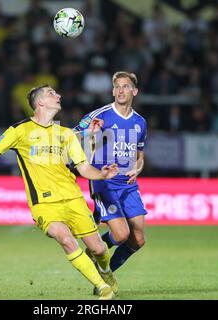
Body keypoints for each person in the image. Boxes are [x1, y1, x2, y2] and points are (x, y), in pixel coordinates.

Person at [0, 84, 119, 300]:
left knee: (99, 250)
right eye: (52, 93)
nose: (58, 95)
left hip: (73, 198)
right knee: (66, 239)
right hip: (44, 203)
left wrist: (102, 174)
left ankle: (105, 271)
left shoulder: (66, 134)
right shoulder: (19, 130)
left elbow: (84, 168)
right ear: (40, 102)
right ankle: (102, 287)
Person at [74, 71, 147, 295]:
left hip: (128, 185)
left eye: (125, 86)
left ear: (134, 91)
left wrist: (137, 168)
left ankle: (101, 267)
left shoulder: (139, 123)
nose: (120, 90)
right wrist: (90, 133)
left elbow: (139, 156)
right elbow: (72, 137)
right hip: (105, 183)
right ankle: (100, 269)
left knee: (138, 240)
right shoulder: (101, 115)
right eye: (116, 87)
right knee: (122, 235)